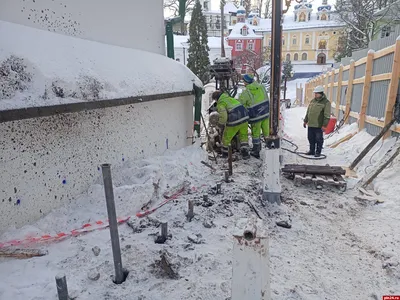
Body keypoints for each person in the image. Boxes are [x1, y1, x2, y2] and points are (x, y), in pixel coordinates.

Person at [211, 90, 250, 159]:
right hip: (244, 117)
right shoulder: (230, 99)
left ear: (216, 99)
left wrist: (220, 125)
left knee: (226, 137)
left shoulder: (221, 104)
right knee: (243, 135)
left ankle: (225, 154)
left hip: (234, 119)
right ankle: (245, 153)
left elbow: (224, 117)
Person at [238, 74, 270, 158]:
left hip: (256, 116)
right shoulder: (262, 87)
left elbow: (240, 104)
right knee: (267, 132)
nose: (243, 83)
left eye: (244, 81)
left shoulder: (246, 92)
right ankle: (271, 148)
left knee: (256, 134)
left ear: (246, 82)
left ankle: (256, 151)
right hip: (266, 112)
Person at [303, 85, 331, 157]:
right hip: (311, 124)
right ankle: (312, 151)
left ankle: (318, 152)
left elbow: (327, 115)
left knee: (318, 139)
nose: (315, 94)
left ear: (321, 93)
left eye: (317, 93)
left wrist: (325, 125)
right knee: (310, 138)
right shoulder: (313, 101)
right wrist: (305, 121)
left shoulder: (326, 102)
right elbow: (308, 112)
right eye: (315, 93)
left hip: (318, 125)